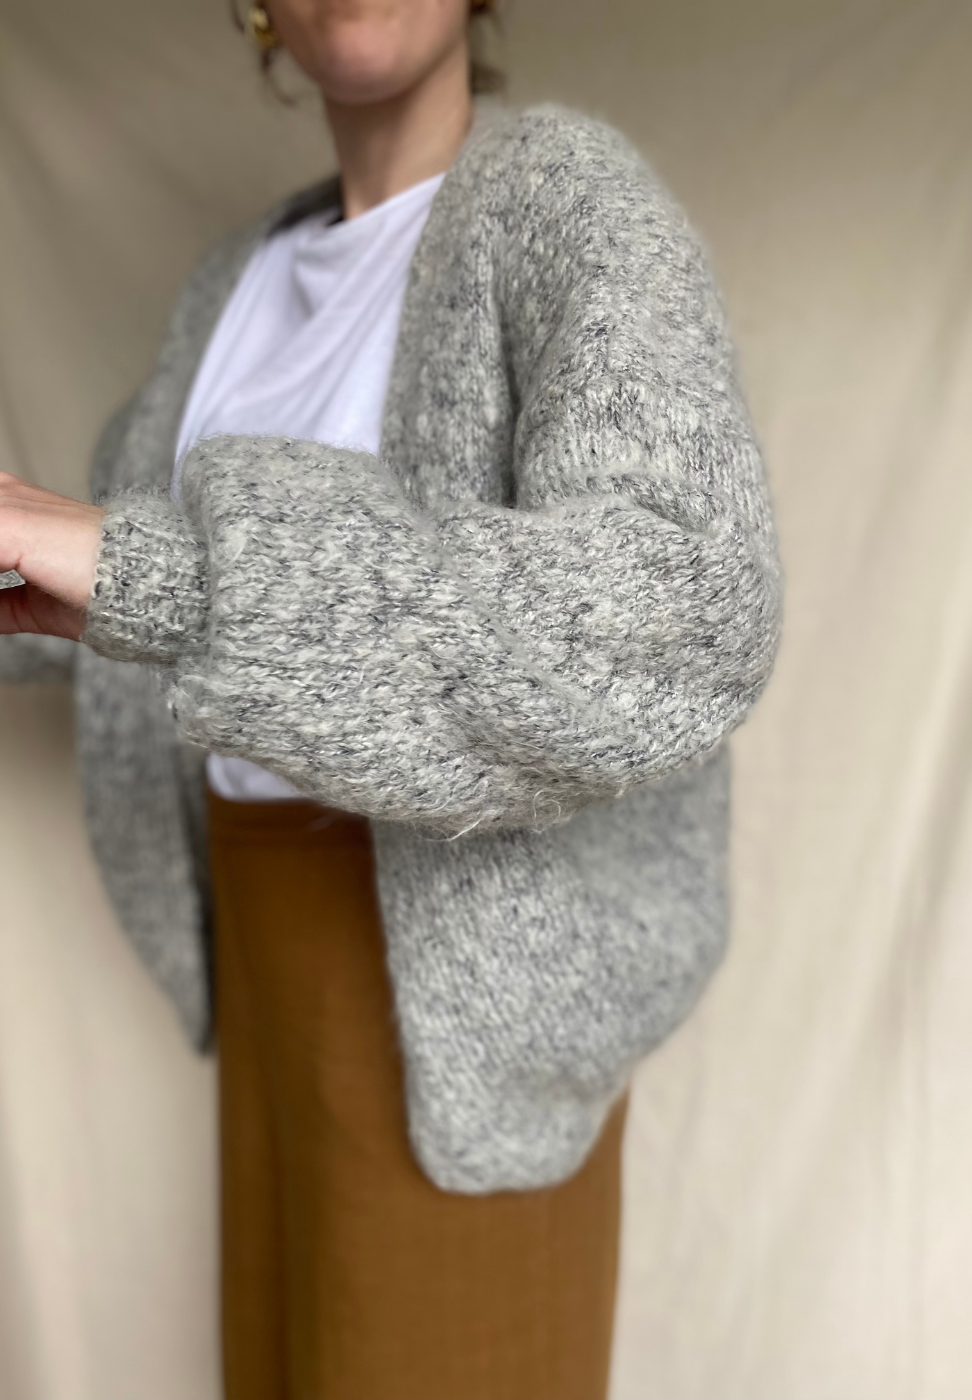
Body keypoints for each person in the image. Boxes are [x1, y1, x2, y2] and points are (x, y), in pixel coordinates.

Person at [0, 0, 782, 1395]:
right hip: (264, 952)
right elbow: (107, 595)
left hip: (467, 1006)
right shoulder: (235, 283)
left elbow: (682, 614)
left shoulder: (566, 202)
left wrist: (155, 575)